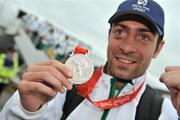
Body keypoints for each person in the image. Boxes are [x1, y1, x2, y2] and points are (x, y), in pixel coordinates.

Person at [0, 0, 178, 119]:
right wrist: (25, 111)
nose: (127, 47)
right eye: (120, 32)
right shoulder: (63, 85)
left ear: (158, 48)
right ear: (109, 35)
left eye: (143, 37)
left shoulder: (164, 111)